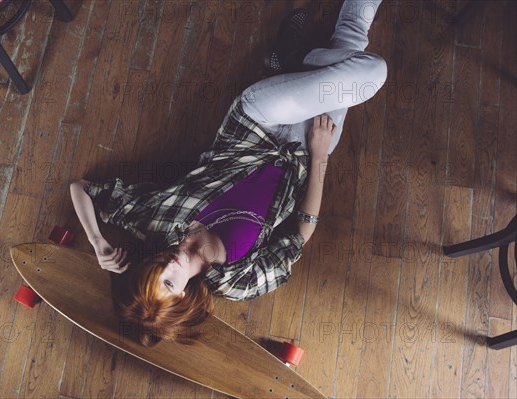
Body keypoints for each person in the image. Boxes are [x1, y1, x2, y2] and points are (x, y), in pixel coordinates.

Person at [70, 0, 387, 346]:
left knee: (373, 73)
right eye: (169, 283)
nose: (167, 266)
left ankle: (298, 65)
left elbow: (83, 188)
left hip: (254, 124)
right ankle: (296, 61)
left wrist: (97, 240)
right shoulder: (239, 282)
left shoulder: (154, 223)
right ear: (184, 298)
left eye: (154, 271)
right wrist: (320, 155)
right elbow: (300, 234)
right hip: (305, 151)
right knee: (355, 45)